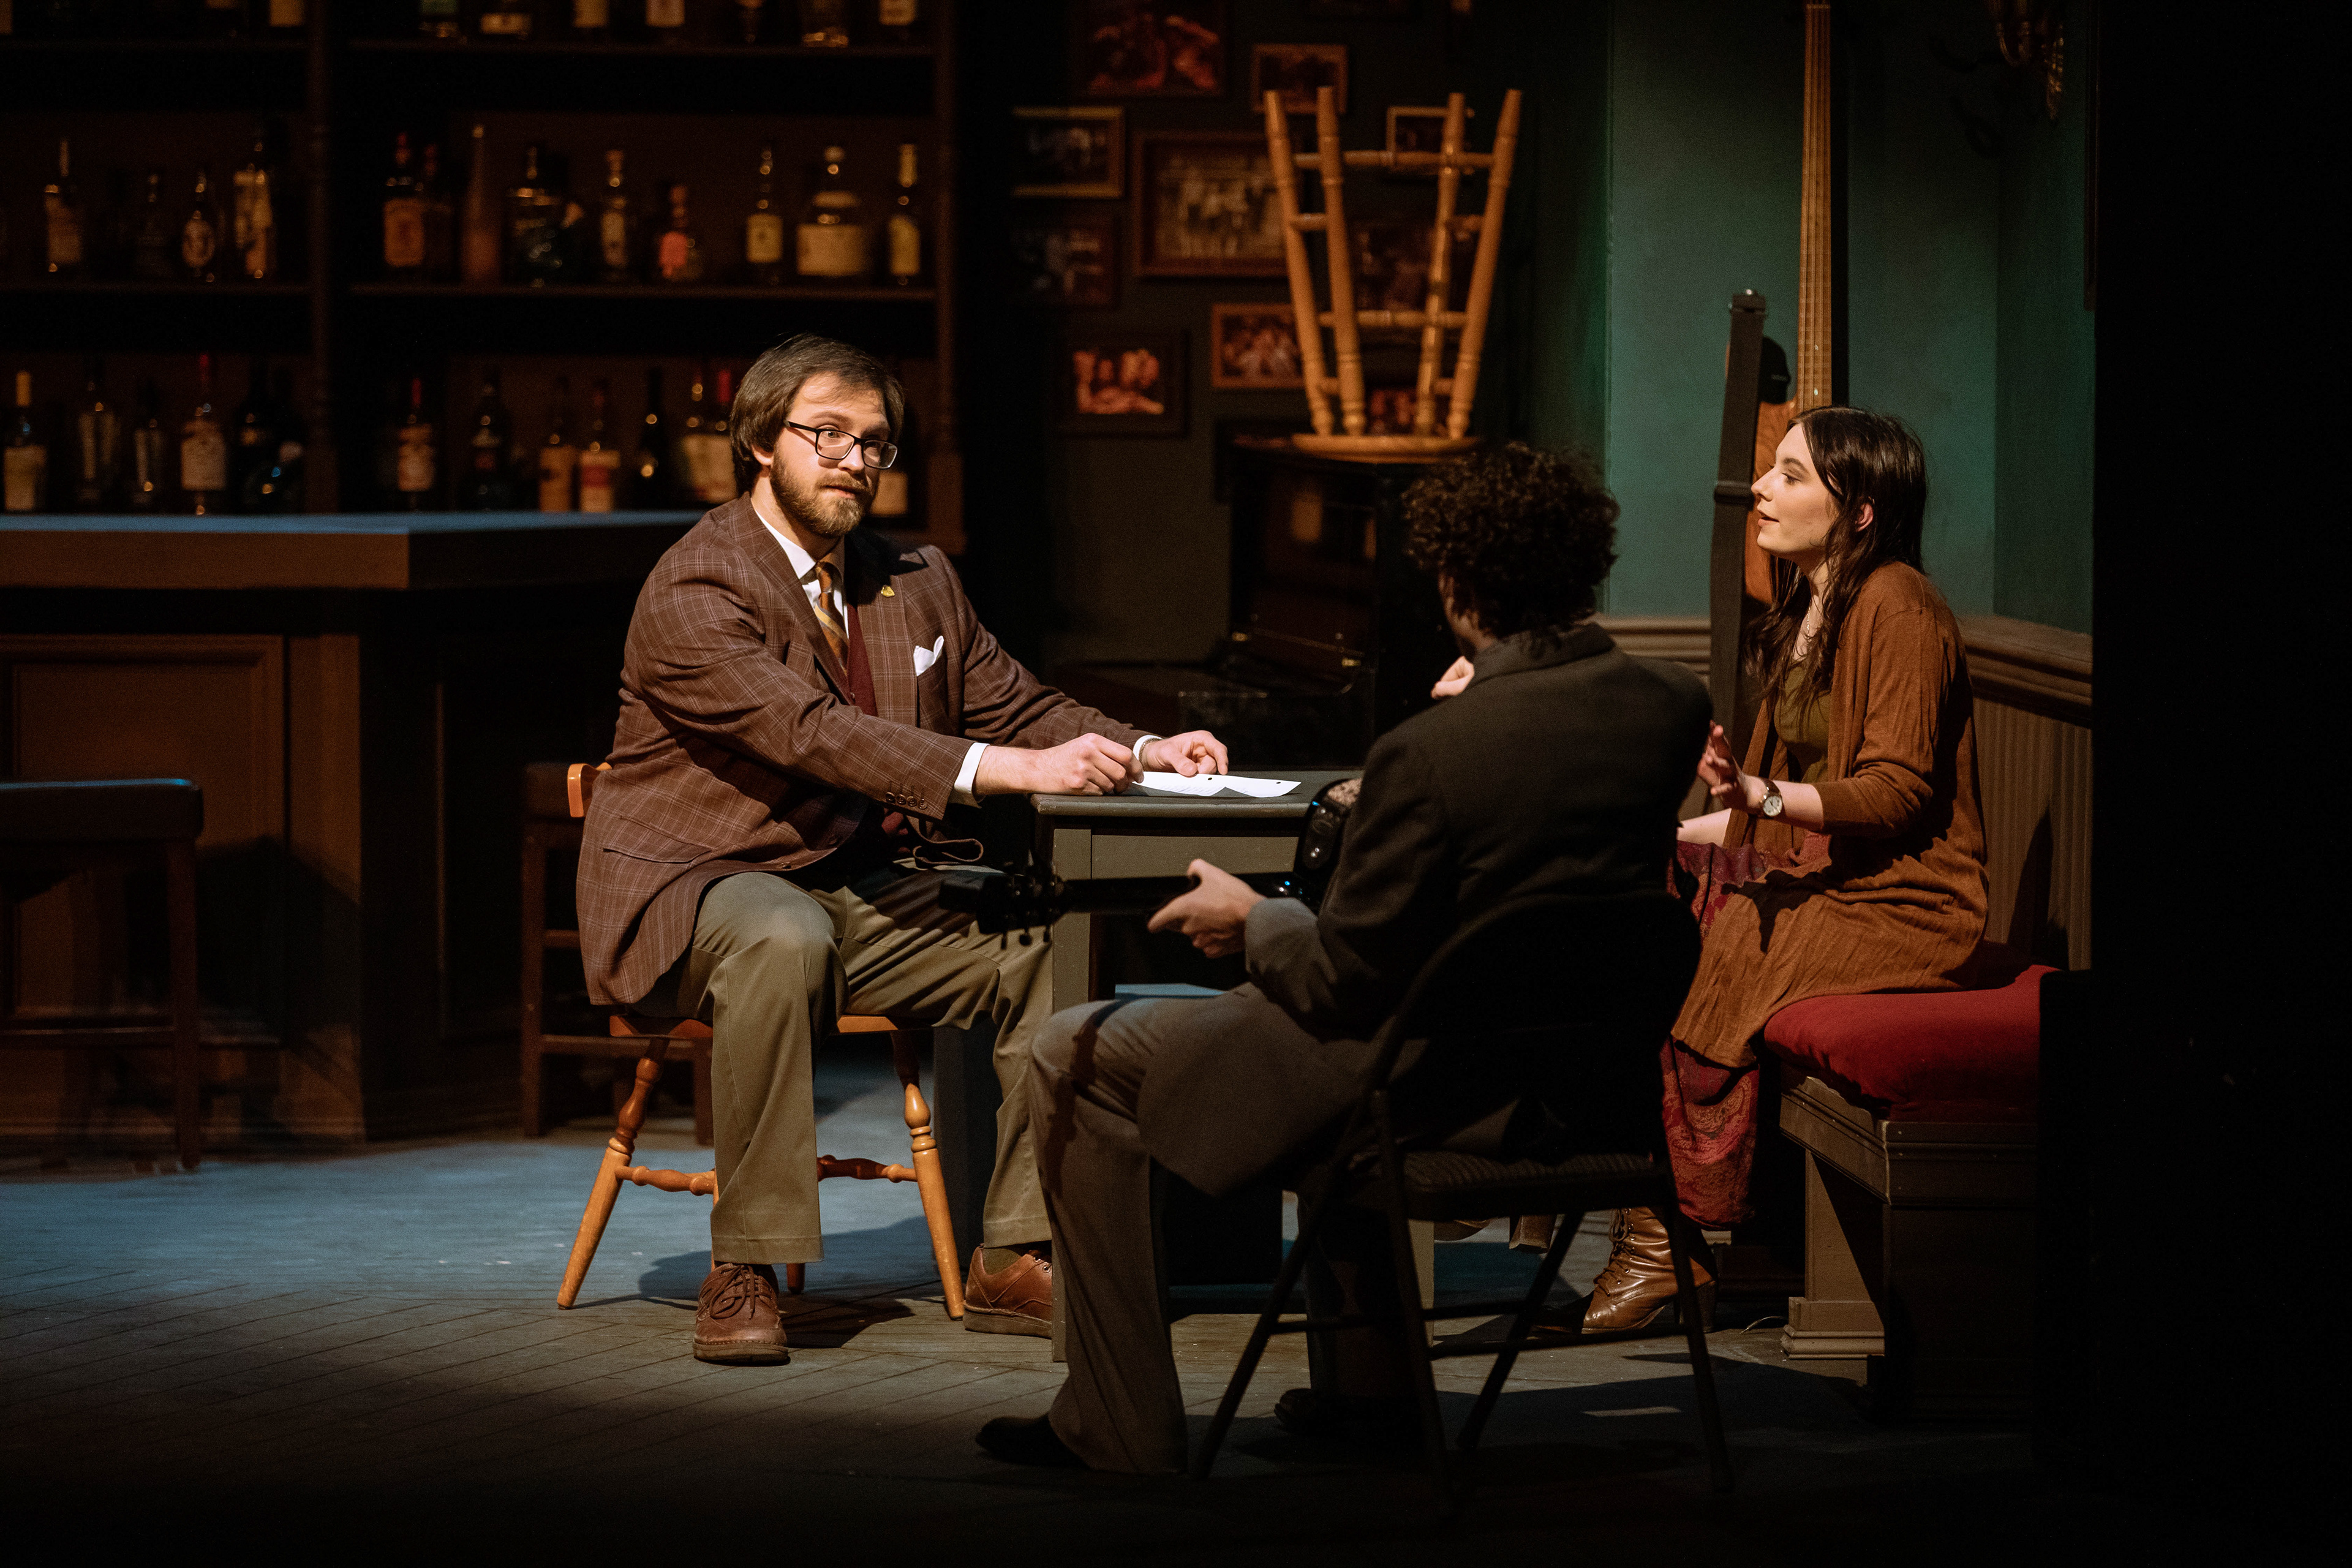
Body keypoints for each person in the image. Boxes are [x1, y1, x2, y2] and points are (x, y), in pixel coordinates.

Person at [971, 443, 1712, 1474]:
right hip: (1577, 1089)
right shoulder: (1671, 707)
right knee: (1354, 1038)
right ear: (1586, 569)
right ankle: (1374, 1399)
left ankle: (1118, 1422)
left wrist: (1250, 918)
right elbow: (1530, 863)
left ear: (1455, 586)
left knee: (1071, 1051)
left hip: (1419, 1091)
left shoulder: (1433, 752)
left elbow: (1338, 981)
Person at [575, 333, 1228, 1365]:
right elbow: (810, 733)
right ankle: (746, 1267)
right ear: (761, 441)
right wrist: (1006, 771)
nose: (852, 461)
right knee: (781, 936)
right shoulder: (697, 585)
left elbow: (1014, 702)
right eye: (825, 435)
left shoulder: (912, 578)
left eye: (874, 445)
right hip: (707, 883)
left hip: (858, 889)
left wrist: (1143, 749)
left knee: (1039, 943)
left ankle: (1014, 1248)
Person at [1580, 405, 1989, 1333]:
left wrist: (1757, 801)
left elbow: (1895, 794)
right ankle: (1651, 1221)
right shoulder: (1809, 604)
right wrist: (1724, 809)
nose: (1761, 489)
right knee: (1647, 919)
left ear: (1861, 511)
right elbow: (1776, 793)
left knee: (1722, 946)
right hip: (1817, 869)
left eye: (1792, 475)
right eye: (1773, 471)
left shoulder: (1900, 605)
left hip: (1907, 899)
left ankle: (1669, 1237)